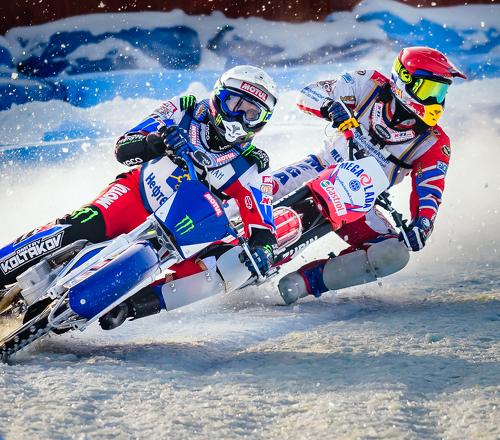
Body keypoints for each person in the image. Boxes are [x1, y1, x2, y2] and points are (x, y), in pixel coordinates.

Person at [0, 65, 278, 327]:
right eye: (235, 104)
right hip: (134, 196)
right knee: (80, 225)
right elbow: (124, 147)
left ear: (262, 122)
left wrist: (263, 252)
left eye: (252, 113)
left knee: (228, 264)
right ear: (219, 98)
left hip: (175, 235)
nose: (240, 117)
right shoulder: (183, 109)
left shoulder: (252, 165)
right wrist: (156, 143)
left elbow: (263, 227)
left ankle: (131, 305)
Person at [273, 46, 466, 304]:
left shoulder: (434, 141)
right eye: (429, 90)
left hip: (359, 201)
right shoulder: (367, 83)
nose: (435, 100)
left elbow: (430, 189)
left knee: (393, 254)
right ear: (404, 80)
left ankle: (305, 282)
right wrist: (330, 106)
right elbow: (308, 93)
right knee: (253, 190)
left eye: (440, 92)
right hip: (318, 167)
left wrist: (422, 224)